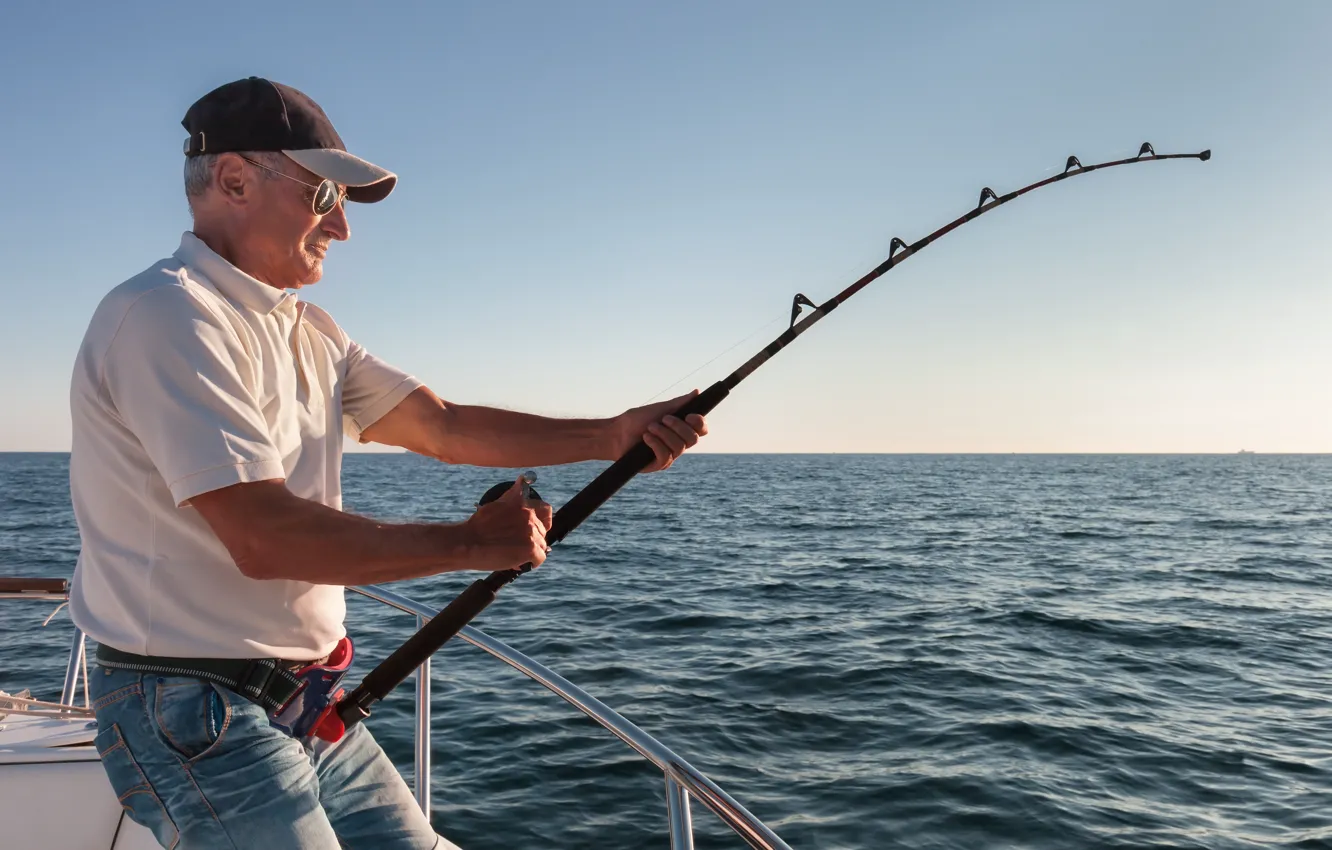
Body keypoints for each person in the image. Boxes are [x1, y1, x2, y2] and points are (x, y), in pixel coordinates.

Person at [67, 76, 708, 850]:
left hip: (302, 701)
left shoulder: (309, 329)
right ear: (234, 179)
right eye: (323, 196)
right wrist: (472, 545)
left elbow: (442, 425)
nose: (341, 227)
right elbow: (263, 537)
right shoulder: (168, 315)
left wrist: (611, 436)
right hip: (188, 706)